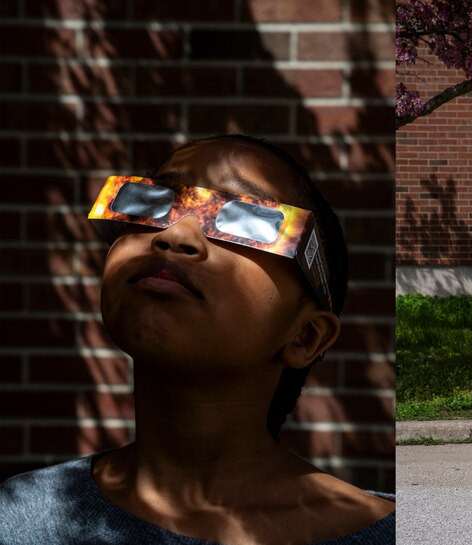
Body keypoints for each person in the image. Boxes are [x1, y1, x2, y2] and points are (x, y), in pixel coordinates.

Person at [0, 134, 396, 544]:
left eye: (247, 221)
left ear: (306, 337)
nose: (176, 234)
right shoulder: (17, 516)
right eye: (154, 203)